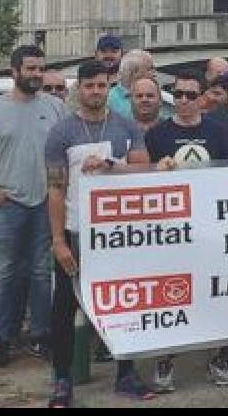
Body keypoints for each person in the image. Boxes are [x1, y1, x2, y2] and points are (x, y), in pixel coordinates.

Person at [44, 61, 154, 407]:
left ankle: (126, 373)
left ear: (109, 88)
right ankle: (62, 380)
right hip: (76, 230)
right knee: (64, 307)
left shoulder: (126, 126)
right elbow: (55, 189)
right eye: (89, 86)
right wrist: (59, 240)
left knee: (123, 304)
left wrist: (111, 166)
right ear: (79, 89)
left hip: (118, 234)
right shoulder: (61, 132)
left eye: (101, 86)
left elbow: (143, 169)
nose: (95, 92)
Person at [0, 45, 68, 367]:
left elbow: (68, 152)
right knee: (5, 274)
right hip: (8, 204)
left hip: (46, 204)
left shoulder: (56, 108)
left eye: (41, 68)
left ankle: (41, 335)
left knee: (42, 273)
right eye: (30, 69)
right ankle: (1, 338)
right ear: (15, 71)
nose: (37, 74)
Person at [144, 70, 228, 392]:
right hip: (172, 227)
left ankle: (221, 357)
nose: (183, 100)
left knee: (218, 292)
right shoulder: (157, 134)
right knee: (172, 293)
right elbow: (143, 180)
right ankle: (165, 359)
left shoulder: (220, 131)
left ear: (201, 97)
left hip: (212, 224)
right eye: (178, 94)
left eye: (190, 94)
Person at [108, 49, 154, 119]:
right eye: (150, 69)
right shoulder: (109, 100)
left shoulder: (158, 96)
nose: (154, 73)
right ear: (134, 73)